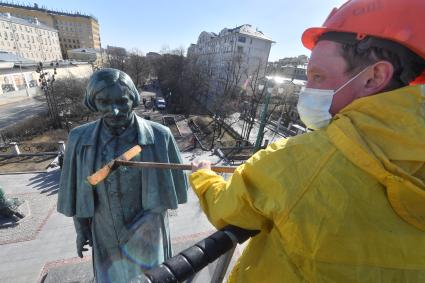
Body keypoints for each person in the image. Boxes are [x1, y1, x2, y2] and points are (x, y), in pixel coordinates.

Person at [191, 0, 425, 282]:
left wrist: (203, 176)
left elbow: (227, 208)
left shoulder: (298, 162)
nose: (307, 90)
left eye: (318, 76)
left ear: (374, 77)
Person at [57, 68, 188, 282]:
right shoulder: (79, 139)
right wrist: (81, 228)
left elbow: (176, 190)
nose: (115, 111)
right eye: (104, 102)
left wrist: (149, 219)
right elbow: (77, 189)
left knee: (150, 278)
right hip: (104, 231)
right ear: (93, 102)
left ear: (133, 99)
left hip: (148, 232)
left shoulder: (160, 136)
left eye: (122, 101)